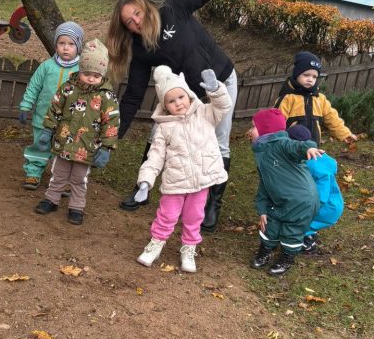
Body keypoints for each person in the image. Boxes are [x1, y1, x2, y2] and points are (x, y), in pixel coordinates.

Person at [106, 0, 252, 232]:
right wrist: (114, 133)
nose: (135, 21)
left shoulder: (174, 10)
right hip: (183, 94)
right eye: (129, 21)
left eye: (136, 14)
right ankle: (142, 188)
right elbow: (133, 96)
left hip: (220, 81)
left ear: (144, 7)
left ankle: (212, 204)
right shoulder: (141, 50)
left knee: (219, 141)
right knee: (159, 134)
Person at [133, 66, 231, 273]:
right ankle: (156, 244)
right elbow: (155, 155)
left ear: (189, 95)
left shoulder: (205, 113)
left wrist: (215, 90)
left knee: (194, 217)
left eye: (181, 97)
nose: (178, 103)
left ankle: (189, 248)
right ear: (164, 105)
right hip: (175, 181)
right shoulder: (164, 127)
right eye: (171, 101)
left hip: (201, 180)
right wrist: (146, 180)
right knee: (167, 215)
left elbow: (223, 105)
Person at [34, 39, 120, 225]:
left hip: (87, 147)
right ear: (80, 70)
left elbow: (111, 123)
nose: (91, 79)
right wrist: (47, 131)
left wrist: (106, 148)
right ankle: (51, 199)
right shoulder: (67, 89)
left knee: (79, 178)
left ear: (102, 74)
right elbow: (54, 109)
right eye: (87, 74)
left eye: (96, 75)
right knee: (58, 173)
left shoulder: (106, 96)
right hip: (64, 142)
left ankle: (77, 207)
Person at [248, 108, 322, 277]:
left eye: (253, 126)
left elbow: (298, 146)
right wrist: (262, 209)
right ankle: (265, 251)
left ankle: (287, 258)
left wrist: (309, 148)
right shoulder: (262, 153)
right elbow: (265, 183)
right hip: (280, 199)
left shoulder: (282, 144)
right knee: (270, 225)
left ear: (266, 129)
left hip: (302, 201)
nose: (250, 130)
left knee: (292, 232)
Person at [18, 21, 84, 189]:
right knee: (39, 146)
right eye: (61, 43)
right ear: (56, 45)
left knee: (65, 150)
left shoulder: (81, 72)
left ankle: (62, 180)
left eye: (71, 44)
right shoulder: (47, 66)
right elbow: (34, 87)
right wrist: (25, 106)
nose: (66, 48)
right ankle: (33, 173)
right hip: (43, 117)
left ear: (78, 47)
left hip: (68, 122)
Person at [276, 51, 358, 147]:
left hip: (314, 146)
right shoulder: (288, 98)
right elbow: (276, 122)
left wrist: (345, 134)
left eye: (314, 76)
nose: (310, 79)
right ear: (296, 74)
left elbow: (332, 118)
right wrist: (274, 143)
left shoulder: (319, 98)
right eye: (306, 75)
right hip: (291, 146)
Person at [286, 124, 345, 252]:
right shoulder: (318, 158)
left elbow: (321, 194)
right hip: (331, 203)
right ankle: (308, 233)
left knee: (298, 222)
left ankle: (307, 243)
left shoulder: (312, 164)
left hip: (326, 206)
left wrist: (307, 209)